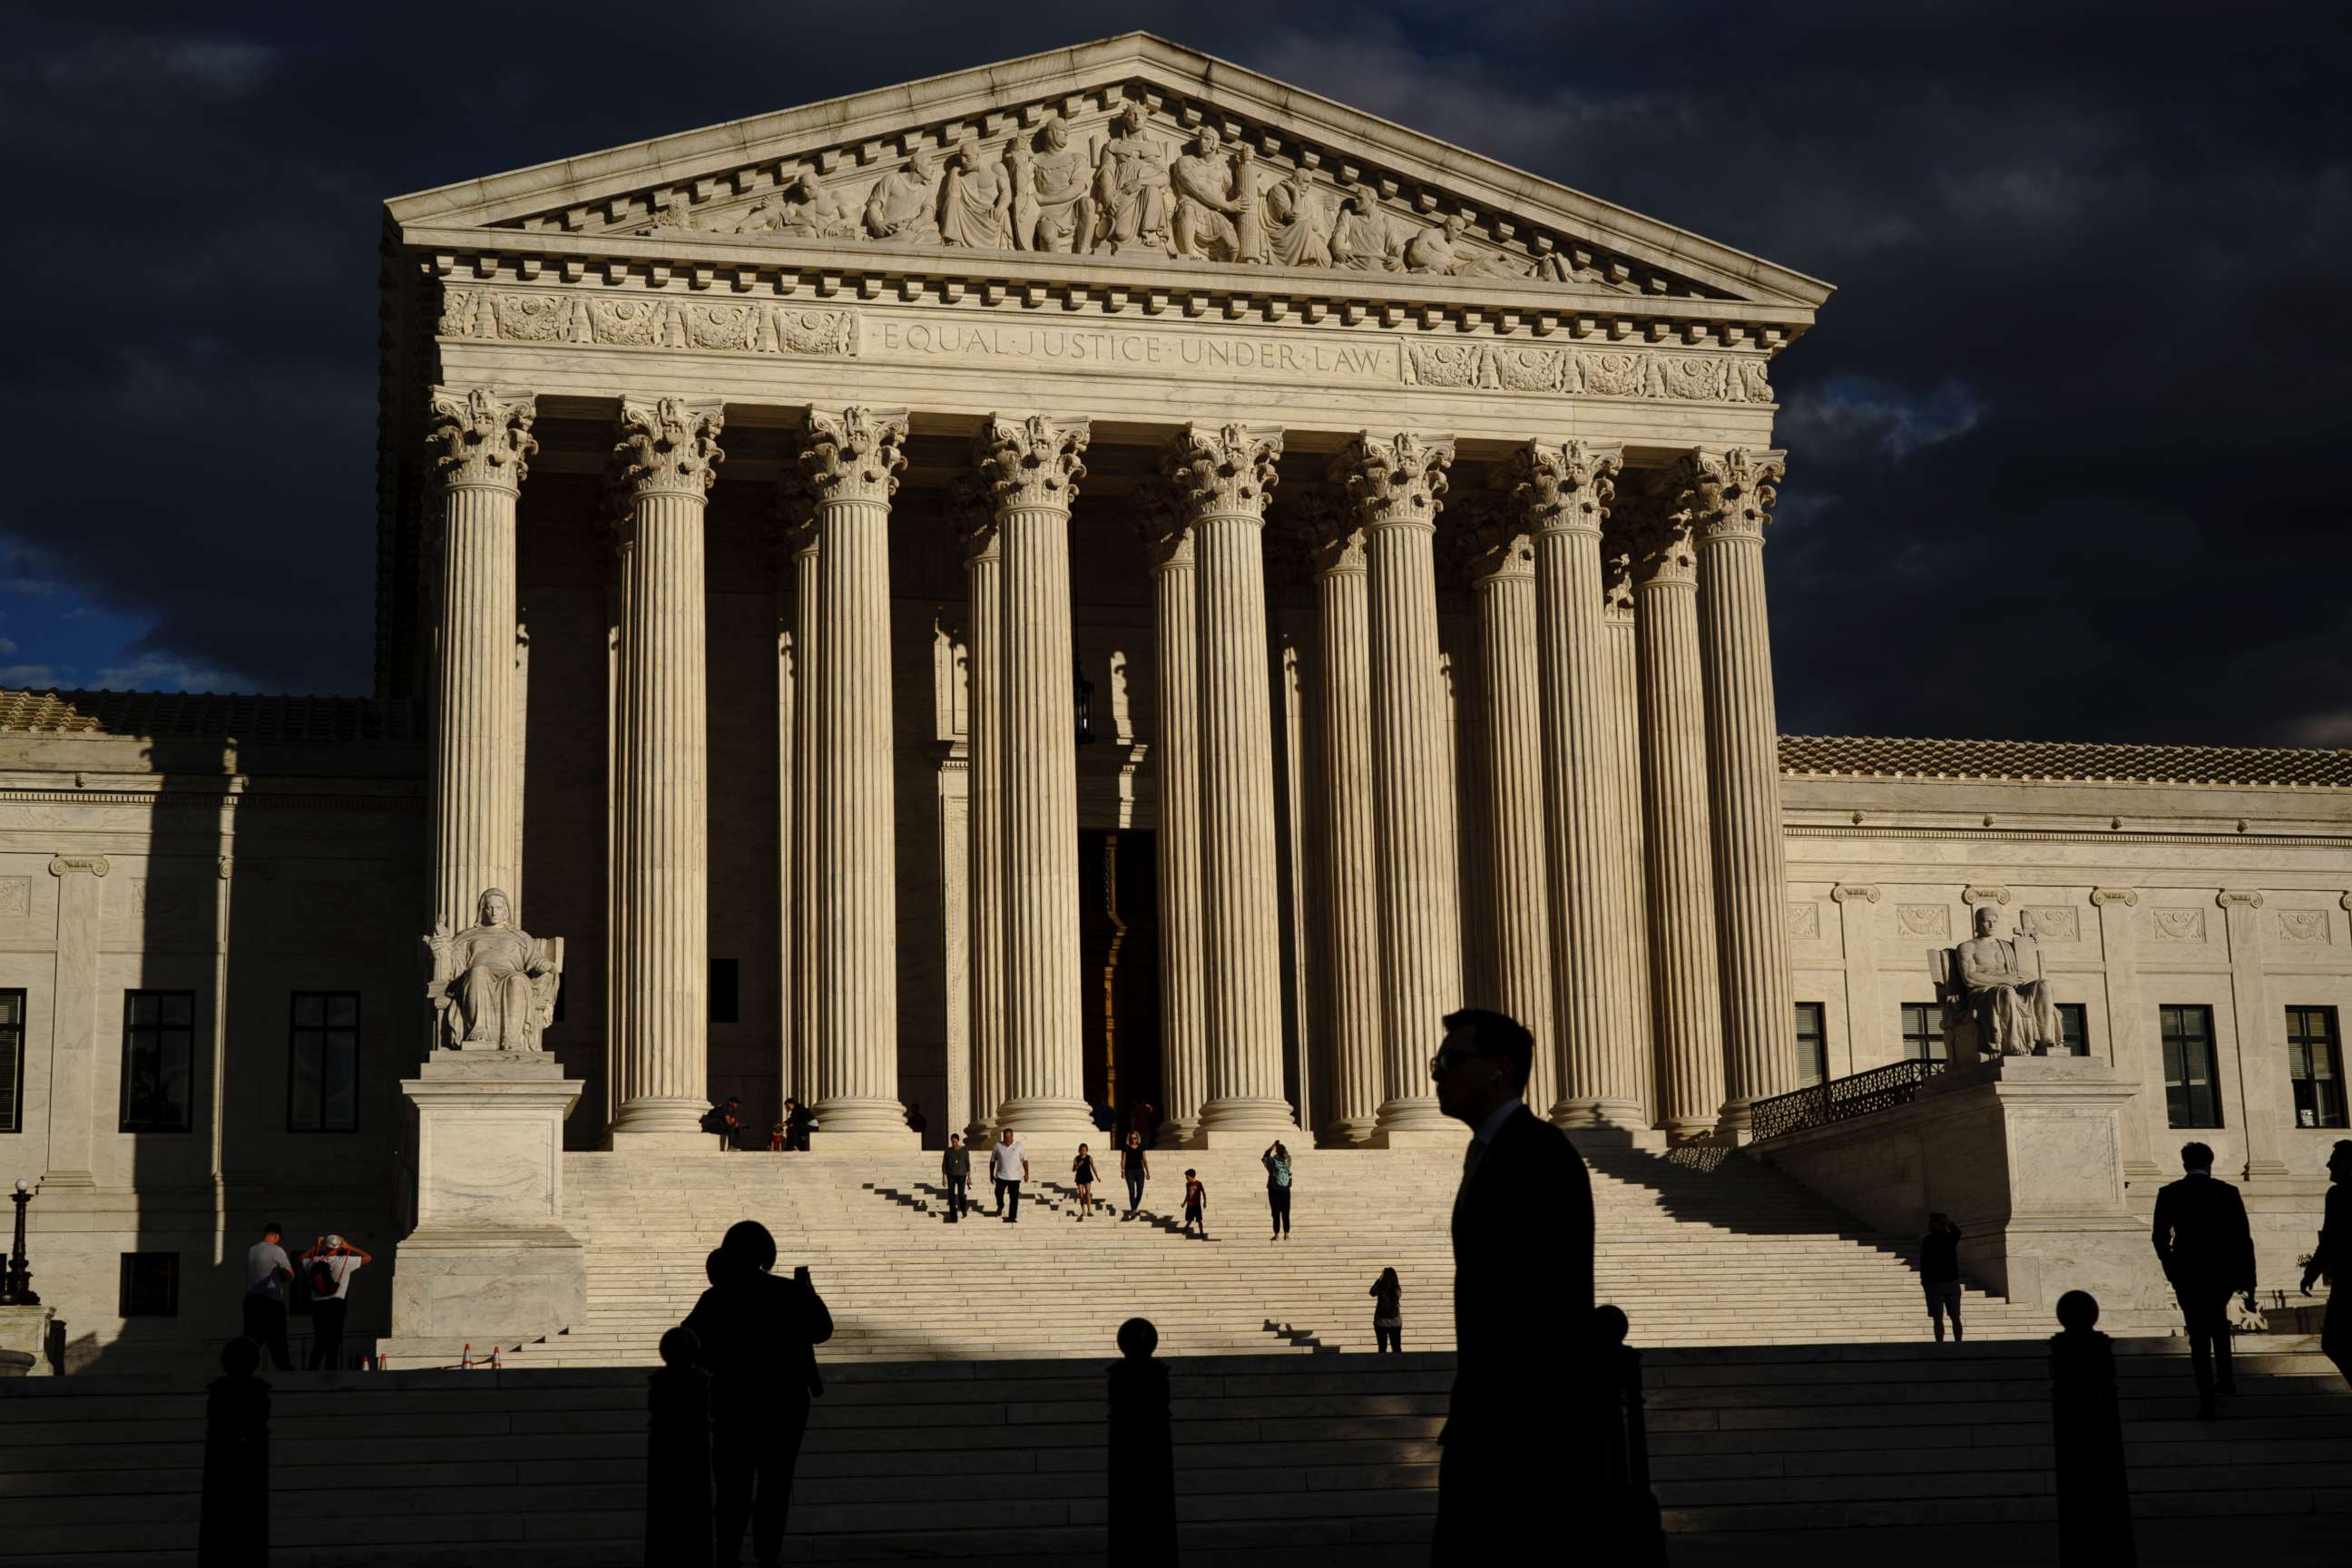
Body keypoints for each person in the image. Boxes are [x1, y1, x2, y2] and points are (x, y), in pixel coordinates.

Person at [1429, 1007, 1599, 1560]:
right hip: (1492, 1417)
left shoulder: (1538, 1153)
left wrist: (1504, 1427)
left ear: (1498, 1069)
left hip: (1522, 1432)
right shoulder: (1491, 1150)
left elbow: (1550, 1302)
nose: (1437, 1072)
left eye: (1451, 1060)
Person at [681, 1220, 833, 1568]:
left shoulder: (717, 1297)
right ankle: (768, 1555)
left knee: (733, 1487)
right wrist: (808, 1291)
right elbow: (822, 1330)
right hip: (785, 1403)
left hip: (733, 1402)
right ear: (766, 1253)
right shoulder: (789, 1291)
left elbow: (687, 1341)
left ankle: (728, 1554)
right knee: (775, 1486)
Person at [2151, 1140, 2259, 1419]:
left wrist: (2171, 1269)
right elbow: (2243, 1239)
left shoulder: (2170, 1192)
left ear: (2185, 1163)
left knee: (2198, 1333)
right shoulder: (2227, 1192)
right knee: (2218, 1323)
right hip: (2222, 1271)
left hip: (2187, 1271)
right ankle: (2225, 1377)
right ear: (2210, 1163)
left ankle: (2207, 1397)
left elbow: (2159, 1237)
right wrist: (2248, 1281)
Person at [2300, 1140, 2352, 1383]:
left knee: (2333, 1341)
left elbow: (2330, 1239)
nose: (2329, 1164)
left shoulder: (2339, 1193)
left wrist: (2311, 1273)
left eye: (2335, 1160)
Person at [298, 1233, 372, 1371]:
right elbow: (368, 1258)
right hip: (336, 1304)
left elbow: (300, 1260)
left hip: (318, 1305)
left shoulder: (315, 1260)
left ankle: (312, 1369)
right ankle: (331, 1370)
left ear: (325, 1247)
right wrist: (349, 1246)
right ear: (338, 1248)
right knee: (334, 1340)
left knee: (320, 1339)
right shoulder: (344, 1261)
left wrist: (315, 1246)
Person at [241, 1220, 295, 1371]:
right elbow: (290, 1275)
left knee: (252, 1339)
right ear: (277, 1237)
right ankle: (284, 1370)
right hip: (271, 1302)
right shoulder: (276, 1250)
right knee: (278, 1340)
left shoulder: (252, 1250)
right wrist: (283, 1276)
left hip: (251, 1301)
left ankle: (243, 1369)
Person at [1921, 1213, 1965, 1342]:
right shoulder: (1950, 1238)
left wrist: (1924, 1282)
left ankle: (1940, 1343)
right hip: (1951, 1282)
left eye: (1931, 1222)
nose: (1928, 1225)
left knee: (1938, 1317)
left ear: (1935, 1224)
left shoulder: (1929, 1240)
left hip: (1936, 1284)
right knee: (1955, 1317)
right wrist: (1949, 1222)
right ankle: (1958, 1342)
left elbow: (1924, 1263)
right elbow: (1958, 1233)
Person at [992, 1128, 1029, 1222]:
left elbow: (1024, 1160)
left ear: (1012, 1136)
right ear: (1003, 1137)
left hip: (1015, 1177)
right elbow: (992, 1161)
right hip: (1001, 1176)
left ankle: (1012, 1217)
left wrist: (1026, 1173)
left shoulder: (1019, 1146)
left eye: (1009, 1137)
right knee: (998, 1193)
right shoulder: (997, 1146)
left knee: (1014, 1198)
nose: (1007, 1139)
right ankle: (1000, 1205)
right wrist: (991, 1174)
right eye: (1005, 1137)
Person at [1263, 1142, 1294, 1240]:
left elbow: (1265, 1157)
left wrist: (1272, 1147)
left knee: (1275, 1213)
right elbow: (1288, 1155)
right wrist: (1283, 1150)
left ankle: (1276, 1234)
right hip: (1285, 1189)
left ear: (1276, 1151)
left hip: (1274, 1190)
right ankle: (1286, 1234)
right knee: (1286, 1212)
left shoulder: (1272, 1162)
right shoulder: (1288, 1161)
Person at [1371, 1268, 1403, 1354]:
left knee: (1382, 1349)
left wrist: (1379, 1280)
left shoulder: (1380, 1288)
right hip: (1395, 1323)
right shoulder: (1397, 1288)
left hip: (1380, 1322)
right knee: (1396, 1349)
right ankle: (1399, 1366)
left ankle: (1381, 1366)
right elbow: (1398, 1295)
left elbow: (1372, 1292)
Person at [1119, 1132, 1151, 1220]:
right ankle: (1133, 1210)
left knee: (1140, 1192)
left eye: (1135, 1138)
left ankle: (1134, 1209)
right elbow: (1123, 1159)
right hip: (1129, 1171)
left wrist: (1148, 1172)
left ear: (1138, 1138)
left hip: (1140, 1171)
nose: (1133, 1140)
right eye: (1131, 1138)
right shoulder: (1126, 1147)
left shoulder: (1141, 1146)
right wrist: (1122, 1171)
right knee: (1132, 1192)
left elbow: (1144, 1160)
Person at [941, 1133, 971, 1223]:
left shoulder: (964, 1150)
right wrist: (943, 1177)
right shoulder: (948, 1151)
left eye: (955, 1141)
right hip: (951, 1176)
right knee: (951, 1196)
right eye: (952, 1142)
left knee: (961, 1194)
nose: (954, 1143)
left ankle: (963, 1208)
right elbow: (944, 1165)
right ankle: (953, 1217)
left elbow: (967, 1164)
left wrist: (969, 1177)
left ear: (958, 1140)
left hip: (962, 1175)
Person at [1072, 1144, 1100, 1220]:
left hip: (1087, 1176)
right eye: (1082, 1150)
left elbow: (1093, 1167)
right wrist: (1078, 1165)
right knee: (1081, 1194)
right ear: (1079, 1150)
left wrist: (1097, 1177)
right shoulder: (1076, 1158)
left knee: (1087, 1192)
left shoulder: (1089, 1158)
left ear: (1087, 1150)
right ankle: (1083, 1210)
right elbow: (1073, 1169)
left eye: (1084, 1150)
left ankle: (1089, 1210)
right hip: (1080, 1177)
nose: (1083, 1151)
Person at [1181, 1169, 1209, 1240]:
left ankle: (1201, 1232)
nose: (1186, 1178)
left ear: (1192, 1176)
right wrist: (1184, 1203)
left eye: (1187, 1177)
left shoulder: (1198, 1184)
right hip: (1190, 1204)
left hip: (1197, 1205)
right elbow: (1187, 1194)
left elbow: (1203, 1192)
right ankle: (1186, 1229)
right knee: (1190, 1219)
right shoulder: (1187, 1184)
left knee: (1199, 1220)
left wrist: (1205, 1202)